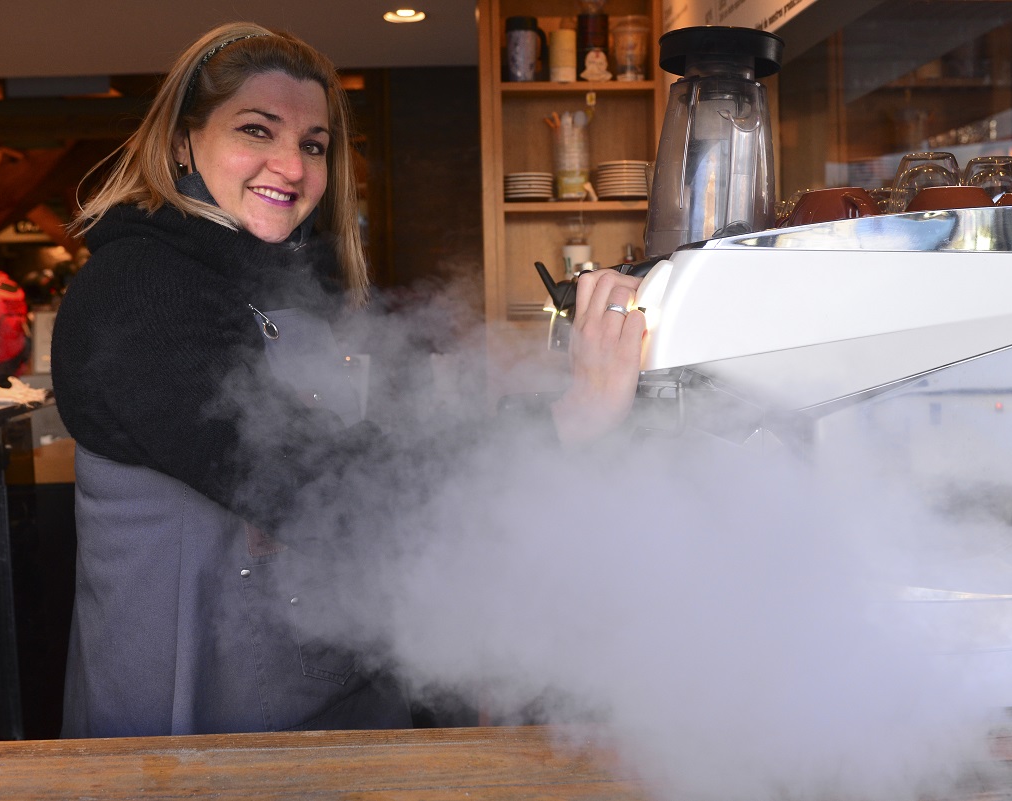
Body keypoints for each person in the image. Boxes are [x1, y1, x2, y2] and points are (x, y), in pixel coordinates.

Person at [51, 21, 645, 739]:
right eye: (256, 130)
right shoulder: (137, 294)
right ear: (182, 142)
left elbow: (387, 440)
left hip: (328, 706)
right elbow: (318, 484)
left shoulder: (287, 284)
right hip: (195, 740)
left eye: (313, 145)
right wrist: (566, 421)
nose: (291, 167)